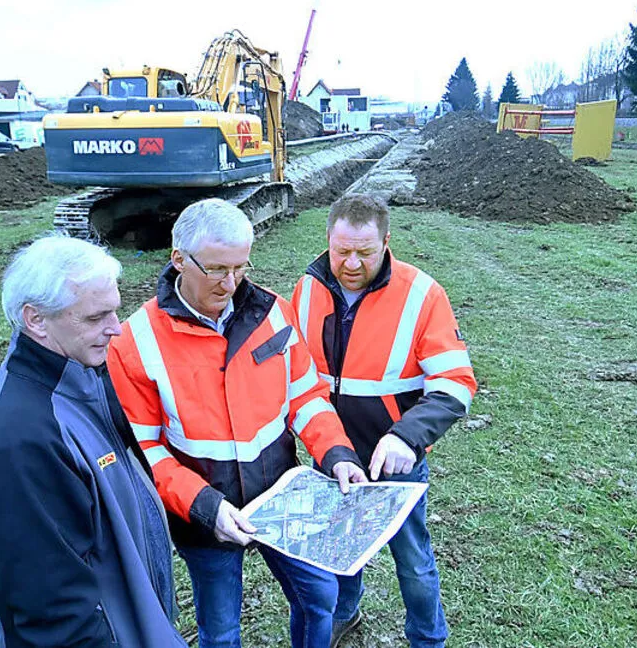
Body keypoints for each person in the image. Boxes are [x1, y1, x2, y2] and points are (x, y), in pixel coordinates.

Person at [107, 198, 368, 648]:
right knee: (221, 629)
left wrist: (337, 453)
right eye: (216, 270)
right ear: (178, 260)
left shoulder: (273, 313)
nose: (230, 283)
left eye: (241, 267)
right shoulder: (135, 341)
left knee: (319, 597)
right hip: (204, 516)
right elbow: (146, 453)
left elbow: (305, 396)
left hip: (280, 497)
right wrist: (205, 507)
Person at [0, 234, 187, 648]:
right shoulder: (20, 444)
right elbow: (55, 617)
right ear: (36, 320)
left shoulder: (82, 378)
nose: (116, 329)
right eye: (94, 317)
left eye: (115, 311)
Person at [291, 195, 478, 648]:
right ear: (328, 240)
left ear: (386, 242)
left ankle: (428, 638)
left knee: (412, 560)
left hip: (395, 461)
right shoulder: (308, 287)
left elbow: (456, 383)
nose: (351, 263)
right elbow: (294, 370)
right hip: (332, 455)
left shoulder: (422, 294)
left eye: (365, 252)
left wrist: (406, 438)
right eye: (341, 251)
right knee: (340, 548)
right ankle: (345, 614)